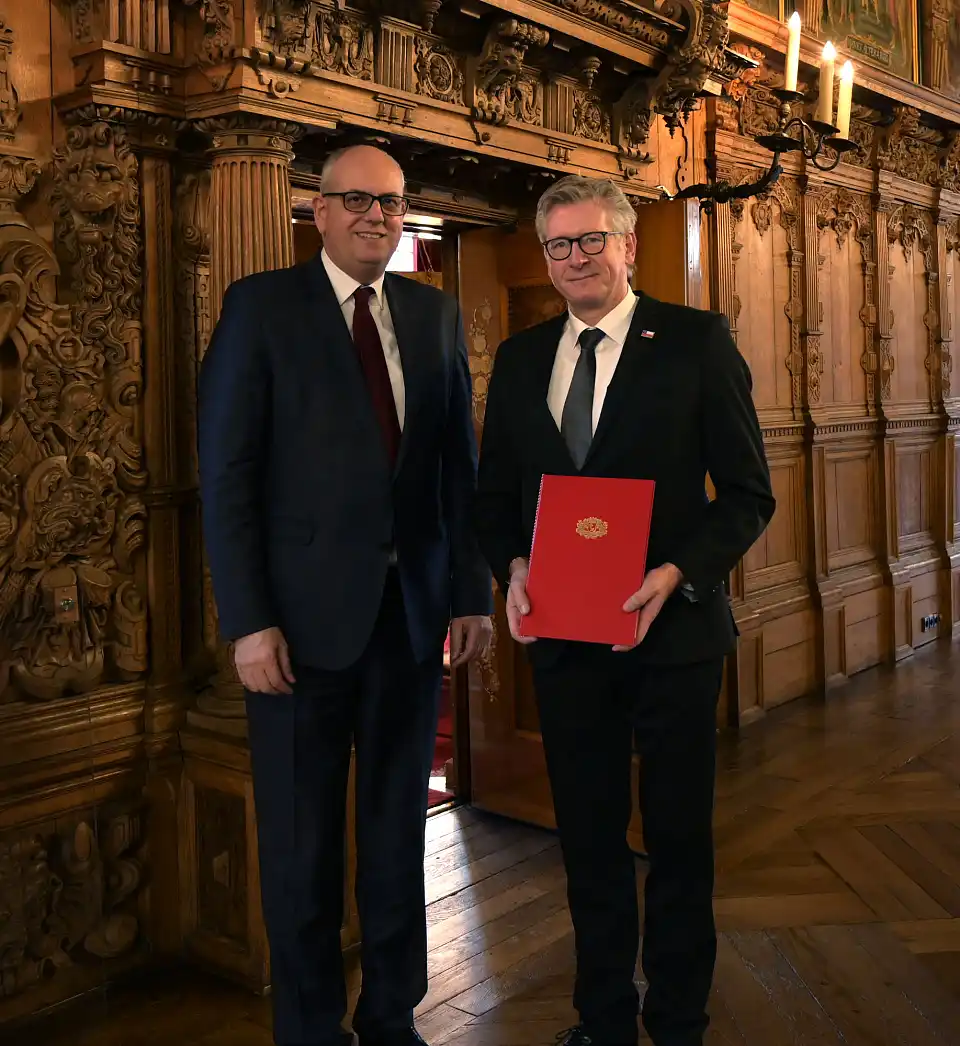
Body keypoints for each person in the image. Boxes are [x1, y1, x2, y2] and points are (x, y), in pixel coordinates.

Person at [198, 143, 493, 1046]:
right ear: (317, 211)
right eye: (357, 200)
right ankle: (310, 1026)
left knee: (399, 833)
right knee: (302, 846)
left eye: (394, 203)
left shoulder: (435, 315)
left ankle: (392, 1014)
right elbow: (228, 475)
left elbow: (456, 471)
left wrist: (470, 592)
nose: (378, 215)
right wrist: (248, 622)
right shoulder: (261, 309)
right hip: (295, 635)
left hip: (409, 625)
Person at [473, 175, 775, 1046]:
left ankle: (678, 1021)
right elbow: (497, 500)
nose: (576, 259)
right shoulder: (524, 359)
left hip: (672, 634)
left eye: (592, 240)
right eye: (560, 245)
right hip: (566, 643)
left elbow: (748, 495)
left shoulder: (694, 342)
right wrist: (515, 569)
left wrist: (678, 569)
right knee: (590, 845)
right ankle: (603, 1019)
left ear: (629, 245)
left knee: (678, 844)